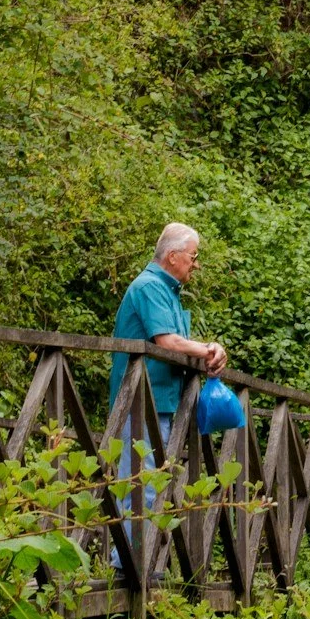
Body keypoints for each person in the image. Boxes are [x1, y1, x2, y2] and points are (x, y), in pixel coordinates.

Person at [107, 223, 228, 565]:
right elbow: (168, 342)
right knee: (138, 480)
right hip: (139, 399)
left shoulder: (167, 290)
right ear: (173, 257)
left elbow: (177, 347)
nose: (196, 264)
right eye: (193, 256)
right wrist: (208, 348)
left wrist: (205, 355)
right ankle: (127, 566)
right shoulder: (149, 287)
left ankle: (132, 562)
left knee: (150, 480)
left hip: (158, 400)